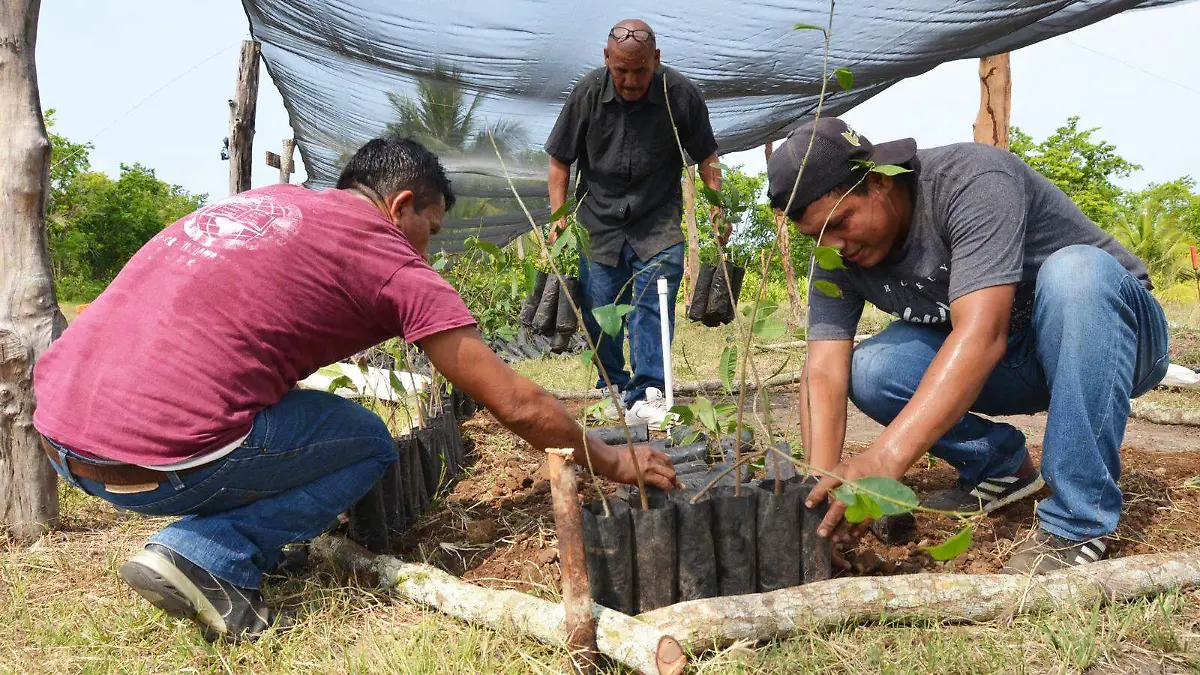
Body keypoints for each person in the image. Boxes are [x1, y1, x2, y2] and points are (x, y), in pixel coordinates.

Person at [32, 137, 676, 642]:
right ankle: (205, 554)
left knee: (284, 411)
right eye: (432, 226)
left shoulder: (257, 206)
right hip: (159, 460)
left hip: (62, 440)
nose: (430, 250)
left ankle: (230, 538)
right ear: (400, 207)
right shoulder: (388, 257)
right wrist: (614, 460)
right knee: (367, 442)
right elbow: (514, 402)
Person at [765, 118, 1169, 574]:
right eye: (818, 237)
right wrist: (822, 489)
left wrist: (884, 457)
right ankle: (1000, 467)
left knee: (1078, 273)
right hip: (1015, 362)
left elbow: (981, 335)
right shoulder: (834, 250)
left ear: (877, 181)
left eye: (841, 223)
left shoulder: (970, 181)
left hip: (1115, 343)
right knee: (872, 368)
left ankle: (1080, 519)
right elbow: (823, 370)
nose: (834, 247)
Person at [545, 18, 723, 427]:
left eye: (640, 70)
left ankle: (647, 393)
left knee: (651, 304)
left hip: (657, 218)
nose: (629, 80)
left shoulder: (680, 94)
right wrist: (559, 218)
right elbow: (560, 160)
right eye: (620, 70)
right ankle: (613, 388)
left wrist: (717, 208)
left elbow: (707, 156)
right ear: (607, 59)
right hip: (597, 220)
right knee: (600, 309)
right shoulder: (587, 93)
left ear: (656, 60)